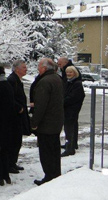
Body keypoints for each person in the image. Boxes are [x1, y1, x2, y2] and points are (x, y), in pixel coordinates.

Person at [30, 58, 64, 186]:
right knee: (54, 150)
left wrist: (34, 122)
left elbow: (41, 105)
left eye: (39, 66)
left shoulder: (44, 82)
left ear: (44, 68)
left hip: (47, 123)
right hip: (55, 121)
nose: (38, 69)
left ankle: (49, 176)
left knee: (46, 152)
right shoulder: (57, 79)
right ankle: (55, 174)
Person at [7, 59, 31, 172]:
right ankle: (10, 163)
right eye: (24, 68)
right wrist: (19, 108)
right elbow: (10, 98)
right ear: (17, 69)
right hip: (14, 116)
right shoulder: (12, 80)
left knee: (17, 140)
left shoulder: (18, 80)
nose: (26, 70)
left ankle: (13, 162)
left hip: (19, 115)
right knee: (13, 140)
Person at [62, 66, 85, 157]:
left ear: (75, 73)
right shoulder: (69, 82)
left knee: (69, 129)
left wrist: (62, 102)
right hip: (68, 109)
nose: (68, 74)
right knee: (70, 128)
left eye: (70, 72)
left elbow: (73, 97)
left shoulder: (77, 84)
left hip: (72, 110)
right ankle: (70, 145)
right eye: (67, 72)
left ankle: (70, 148)